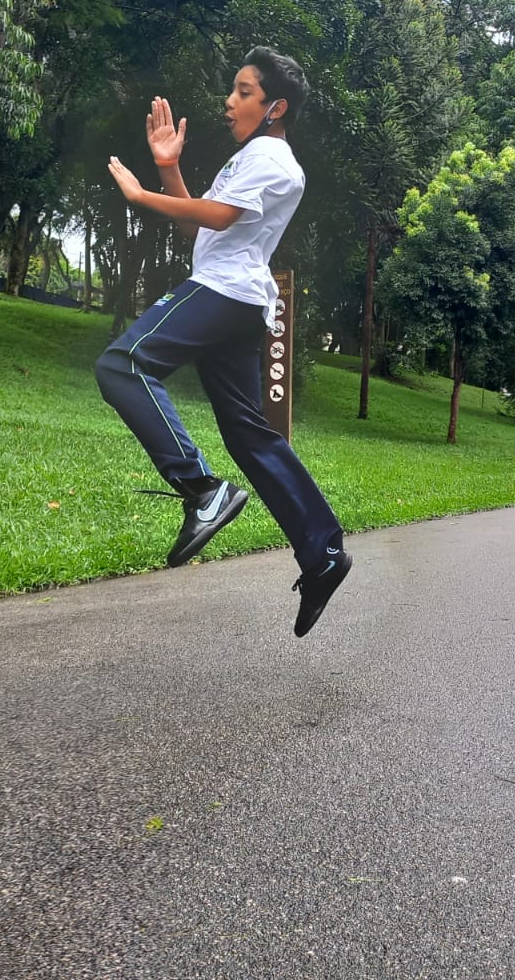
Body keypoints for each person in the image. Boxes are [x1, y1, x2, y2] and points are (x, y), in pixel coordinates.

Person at [94, 47, 349, 637]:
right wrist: (167, 168)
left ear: (274, 106)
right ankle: (323, 552)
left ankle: (202, 490)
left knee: (122, 364)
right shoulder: (248, 159)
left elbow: (215, 219)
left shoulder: (275, 162)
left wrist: (140, 196)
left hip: (225, 291)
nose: (229, 102)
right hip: (238, 298)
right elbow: (196, 219)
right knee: (249, 433)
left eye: (243, 92)